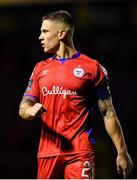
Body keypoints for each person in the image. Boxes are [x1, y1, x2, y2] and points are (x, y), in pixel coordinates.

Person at [19, 10, 133, 179]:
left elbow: (108, 112)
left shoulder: (93, 68)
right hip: (48, 152)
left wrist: (122, 152)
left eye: (45, 31)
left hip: (80, 152)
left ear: (61, 33)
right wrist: (29, 111)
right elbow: (24, 106)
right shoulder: (39, 69)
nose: (40, 37)